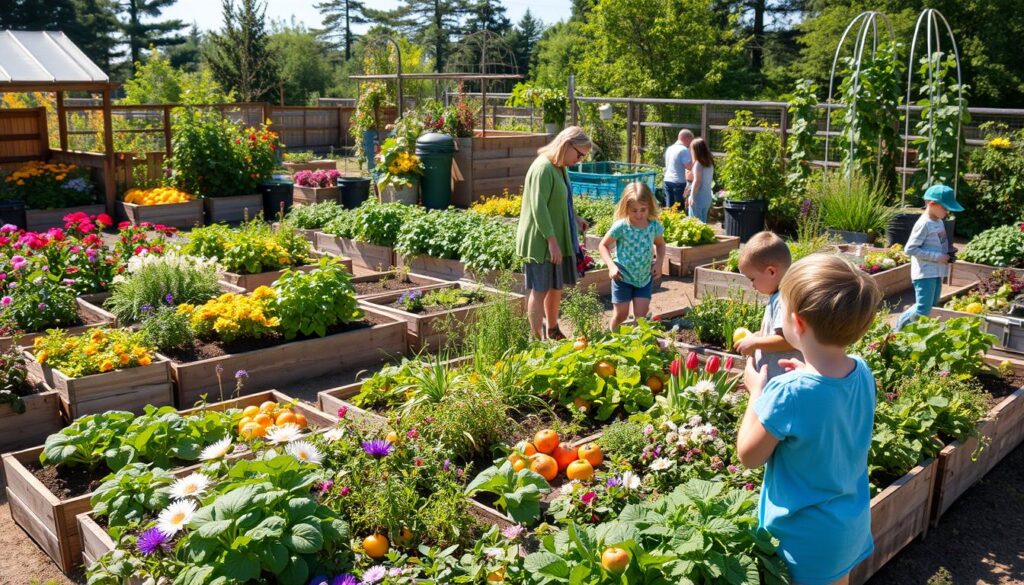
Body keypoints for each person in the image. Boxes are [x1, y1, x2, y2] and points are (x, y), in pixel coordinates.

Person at [738, 254, 883, 585]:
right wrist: (809, 374)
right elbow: (829, 398)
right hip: (848, 526)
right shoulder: (861, 370)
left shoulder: (788, 392)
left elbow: (748, 456)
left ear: (798, 323)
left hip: (801, 539)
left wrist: (756, 393)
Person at [516, 126, 593, 340]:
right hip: (541, 242)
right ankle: (535, 340)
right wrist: (552, 241)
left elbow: (561, 200)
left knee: (555, 287)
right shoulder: (543, 168)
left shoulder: (560, 167)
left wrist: (575, 218)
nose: (579, 160)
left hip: (556, 238)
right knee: (539, 289)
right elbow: (538, 208)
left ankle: (552, 329)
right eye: (579, 155)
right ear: (567, 144)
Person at [734, 231, 802, 381]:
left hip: (782, 379)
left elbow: (788, 340)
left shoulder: (783, 299)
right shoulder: (778, 295)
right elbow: (777, 332)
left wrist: (755, 342)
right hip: (776, 378)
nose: (752, 285)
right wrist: (759, 335)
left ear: (771, 271)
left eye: (752, 279)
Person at [597, 182, 667, 330]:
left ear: (650, 207)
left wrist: (659, 263)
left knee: (641, 319)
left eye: (643, 209)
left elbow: (660, 245)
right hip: (622, 277)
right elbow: (603, 245)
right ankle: (612, 342)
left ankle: (637, 346)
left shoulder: (653, 226)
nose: (639, 214)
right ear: (626, 208)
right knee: (621, 315)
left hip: (644, 278)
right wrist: (611, 266)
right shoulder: (622, 226)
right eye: (634, 210)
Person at [895, 184, 962, 330]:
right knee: (922, 309)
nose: (947, 211)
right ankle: (899, 327)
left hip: (937, 271)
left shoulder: (938, 221)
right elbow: (910, 249)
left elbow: (936, 243)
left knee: (932, 307)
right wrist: (937, 257)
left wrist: (949, 251)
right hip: (925, 273)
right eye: (945, 207)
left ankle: (917, 333)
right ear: (932, 204)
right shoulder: (923, 224)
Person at [662, 129, 693, 209]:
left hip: (667, 180)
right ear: (686, 138)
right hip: (678, 182)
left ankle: (668, 221)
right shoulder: (683, 150)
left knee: (669, 207)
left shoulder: (669, 148)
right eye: (690, 140)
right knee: (679, 209)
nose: (690, 143)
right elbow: (689, 167)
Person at [686, 138, 714, 223]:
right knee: (703, 224)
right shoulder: (709, 162)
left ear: (696, 150)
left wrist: (692, 196)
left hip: (698, 198)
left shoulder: (698, 163)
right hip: (707, 197)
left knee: (695, 224)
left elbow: (698, 181)